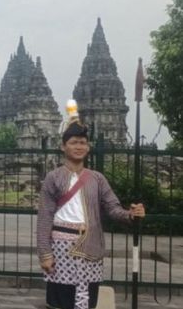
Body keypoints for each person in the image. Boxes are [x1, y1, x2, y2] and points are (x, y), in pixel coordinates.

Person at [36, 100, 145, 309]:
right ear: (63, 146)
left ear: (88, 147)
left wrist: (130, 214)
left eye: (82, 143)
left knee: (87, 301)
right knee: (60, 301)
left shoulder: (97, 179)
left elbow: (112, 208)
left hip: (91, 246)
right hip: (60, 248)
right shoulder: (53, 178)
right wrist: (45, 253)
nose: (78, 147)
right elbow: (44, 217)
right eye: (74, 142)